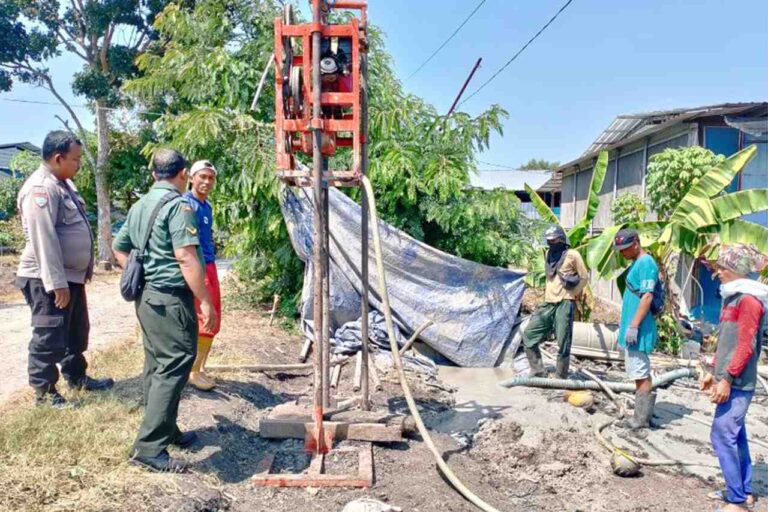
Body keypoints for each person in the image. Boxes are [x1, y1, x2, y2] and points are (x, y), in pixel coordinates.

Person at [112, 149, 218, 472]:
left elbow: (120, 248)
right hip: (171, 298)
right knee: (175, 364)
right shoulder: (178, 206)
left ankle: (166, 428)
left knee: (157, 362)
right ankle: (148, 446)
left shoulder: (141, 204)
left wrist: (142, 273)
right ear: (183, 173)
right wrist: (205, 300)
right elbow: (186, 257)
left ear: (154, 172)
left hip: (148, 298)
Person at [16, 131, 114, 408]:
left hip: (70, 277)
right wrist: (56, 283)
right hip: (45, 277)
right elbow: (43, 239)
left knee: (75, 332)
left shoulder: (63, 185)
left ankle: (76, 376)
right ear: (58, 158)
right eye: (76, 159)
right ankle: (45, 393)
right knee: (49, 335)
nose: (79, 164)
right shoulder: (41, 188)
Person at [700, 244, 767, 511]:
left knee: (722, 434)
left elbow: (746, 345)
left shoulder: (749, 301)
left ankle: (737, 501)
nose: (719, 273)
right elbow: (726, 341)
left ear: (734, 271)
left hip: (739, 381)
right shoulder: (733, 298)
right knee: (735, 435)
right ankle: (743, 490)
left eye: (722, 269)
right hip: (727, 376)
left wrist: (727, 378)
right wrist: (713, 372)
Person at [523, 225, 588, 379]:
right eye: (549, 240)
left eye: (554, 239)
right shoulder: (548, 254)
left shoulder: (572, 255)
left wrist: (572, 293)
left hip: (564, 303)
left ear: (561, 239)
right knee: (529, 335)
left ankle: (561, 376)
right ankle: (538, 371)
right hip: (548, 303)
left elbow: (584, 277)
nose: (551, 242)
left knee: (563, 341)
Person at [613, 228, 658, 430]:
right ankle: (644, 415)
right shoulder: (637, 263)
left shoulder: (646, 263)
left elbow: (647, 296)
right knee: (641, 372)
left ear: (636, 243)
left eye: (625, 249)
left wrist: (633, 325)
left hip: (639, 329)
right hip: (634, 328)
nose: (622, 253)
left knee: (639, 373)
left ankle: (640, 420)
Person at [183, 160, 222, 391]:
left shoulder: (206, 206)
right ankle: (193, 371)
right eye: (202, 177)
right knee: (206, 318)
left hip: (210, 264)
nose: (207, 182)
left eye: (210, 178)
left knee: (214, 318)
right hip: (198, 266)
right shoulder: (186, 205)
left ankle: (200, 367)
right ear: (191, 178)